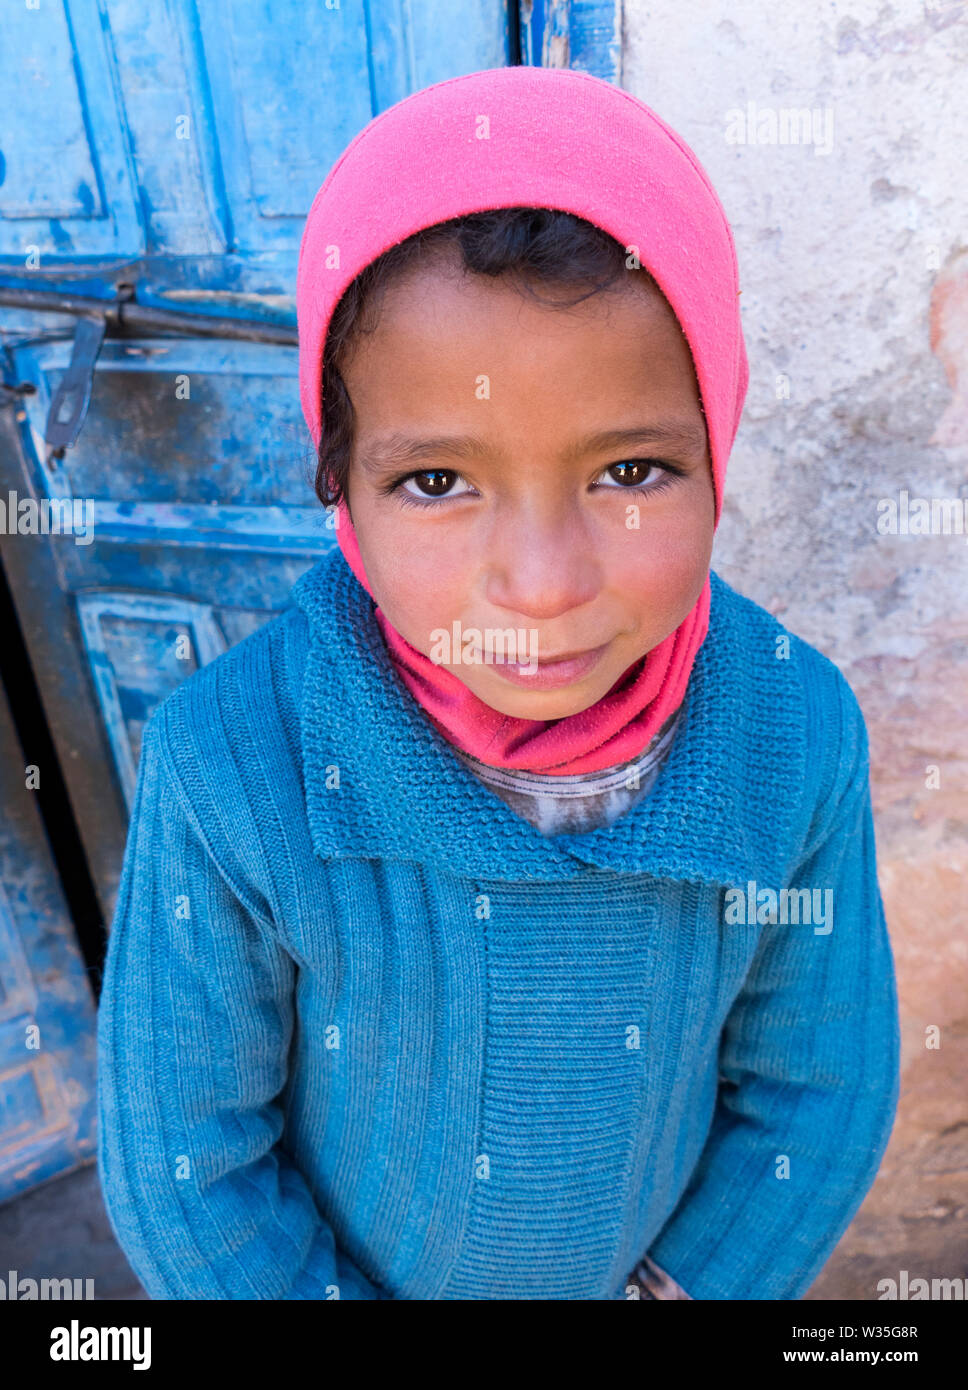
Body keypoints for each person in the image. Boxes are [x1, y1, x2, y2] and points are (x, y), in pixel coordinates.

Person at [96, 65, 900, 1300]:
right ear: (341, 491)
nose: (539, 581)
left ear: (717, 440)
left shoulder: (791, 731)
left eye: (630, 470)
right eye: (435, 482)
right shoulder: (232, 760)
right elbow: (185, 1161)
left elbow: (817, 1088)